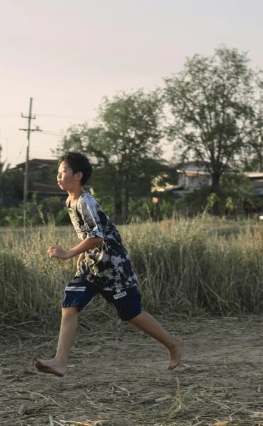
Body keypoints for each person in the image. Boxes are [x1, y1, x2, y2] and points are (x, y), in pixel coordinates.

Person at [33, 152, 183, 377]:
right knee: (70, 303)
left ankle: (173, 344)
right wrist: (82, 257)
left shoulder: (86, 202)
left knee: (131, 313)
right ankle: (59, 362)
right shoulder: (70, 201)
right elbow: (89, 236)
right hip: (92, 266)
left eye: (63, 171)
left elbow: (98, 237)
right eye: (58, 172)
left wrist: (70, 253)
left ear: (78, 176)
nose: (58, 176)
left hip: (113, 266)